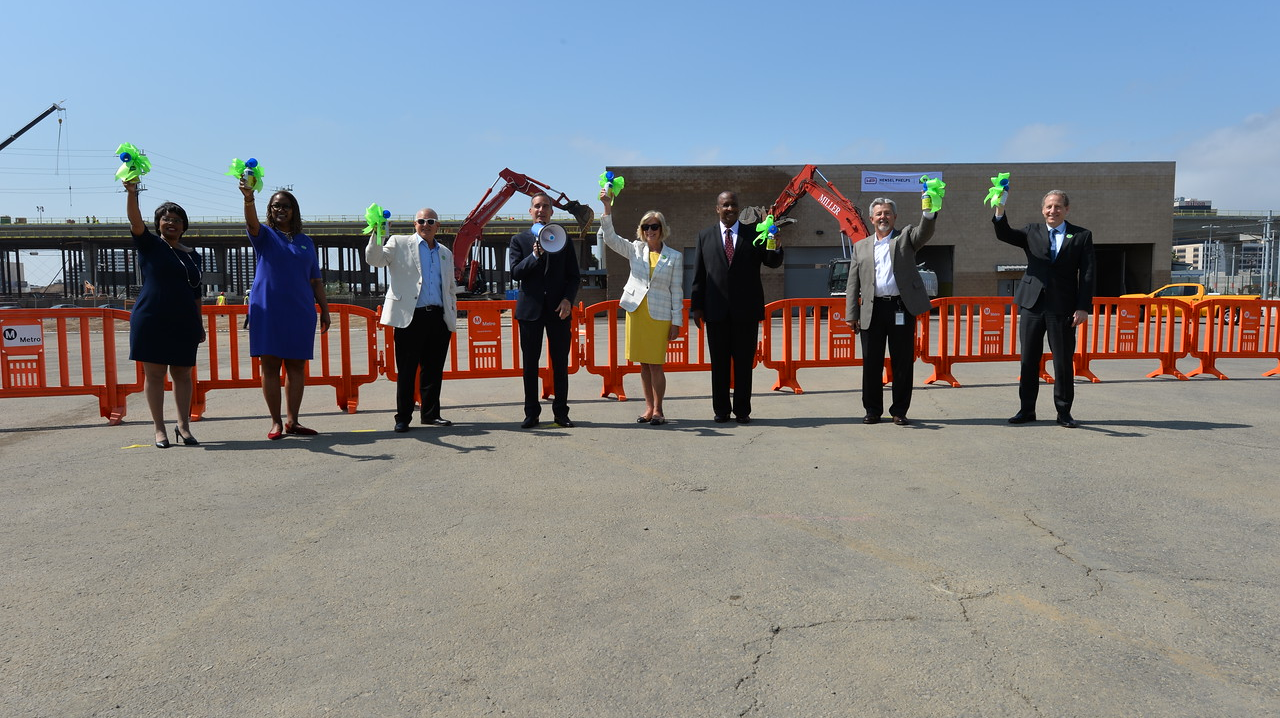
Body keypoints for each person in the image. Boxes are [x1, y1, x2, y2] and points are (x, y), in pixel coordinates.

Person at [993, 189, 1096, 428]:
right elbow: (1004, 234)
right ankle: (1026, 410)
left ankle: (1064, 412)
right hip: (1032, 305)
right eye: (1049, 207)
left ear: (1066, 210)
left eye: (1058, 206)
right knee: (1028, 360)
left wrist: (1083, 307)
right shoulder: (1032, 231)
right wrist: (999, 209)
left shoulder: (1081, 235)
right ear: (1043, 210)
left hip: (1063, 307)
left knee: (1062, 362)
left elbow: (1088, 274)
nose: (1053, 210)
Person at [239, 180, 331, 440]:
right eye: (276, 206)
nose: (281, 210)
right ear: (270, 209)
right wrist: (248, 198)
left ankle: (293, 420)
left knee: (296, 366)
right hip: (268, 308)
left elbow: (315, 280)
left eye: (286, 206)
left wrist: (324, 310)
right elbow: (252, 223)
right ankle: (276, 422)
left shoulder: (306, 242)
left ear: (294, 210)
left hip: (300, 309)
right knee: (269, 366)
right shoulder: (264, 235)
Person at [689, 190, 784, 424]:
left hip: (746, 312)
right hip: (715, 312)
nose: (729, 209)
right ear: (717, 209)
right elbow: (699, 275)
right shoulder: (705, 237)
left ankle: (742, 410)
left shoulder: (754, 235)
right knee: (719, 365)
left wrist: (775, 244)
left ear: (738, 209)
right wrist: (697, 308)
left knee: (744, 364)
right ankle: (721, 410)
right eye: (725, 205)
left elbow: (772, 262)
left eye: (733, 205)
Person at [124, 179, 205, 448]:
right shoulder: (149, 245)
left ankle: (183, 426)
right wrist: (132, 192)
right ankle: (159, 429)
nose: (172, 223)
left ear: (184, 225)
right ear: (158, 223)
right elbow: (135, 221)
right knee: (155, 376)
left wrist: (199, 323)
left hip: (183, 321)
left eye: (177, 219)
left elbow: (196, 293)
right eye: (166, 219)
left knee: (183, 374)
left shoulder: (194, 255)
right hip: (151, 319)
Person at [845, 197, 938, 426]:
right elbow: (852, 283)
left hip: (900, 308)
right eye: (879, 214)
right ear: (871, 218)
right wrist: (851, 314)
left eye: (887, 213)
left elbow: (924, 233)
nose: (883, 217)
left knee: (903, 362)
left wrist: (928, 212)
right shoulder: (861, 246)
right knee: (871, 363)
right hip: (872, 311)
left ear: (894, 217)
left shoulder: (905, 238)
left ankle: (899, 411)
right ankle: (872, 410)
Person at [365, 207, 458, 433]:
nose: (425, 224)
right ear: (414, 225)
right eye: (421, 221)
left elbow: (449, 286)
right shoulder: (398, 242)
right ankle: (403, 417)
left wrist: (451, 312)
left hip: (438, 316)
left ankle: (431, 414)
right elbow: (374, 259)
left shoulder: (445, 251)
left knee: (433, 370)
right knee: (406, 370)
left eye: (430, 221)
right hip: (410, 316)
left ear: (438, 226)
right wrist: (378, 233)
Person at [597, 188, 684, 425]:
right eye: (646, 227)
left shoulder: (674, 257)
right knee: (643, 364)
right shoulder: (635, 249)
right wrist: (607, 207)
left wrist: (677, 322)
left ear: (662, 229)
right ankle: (648, 408)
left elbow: (677, 291)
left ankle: (659, 410)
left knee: (656, 364)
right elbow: (610, 238)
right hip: (637, 311)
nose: (650, 231)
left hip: (659, 315)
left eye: (654, 226)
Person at [509, 192, 580, 428]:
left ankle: (561, 413)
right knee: (530, 365)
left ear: (551, 212)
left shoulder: (563, 239)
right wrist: (535, 254)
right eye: (536, 206)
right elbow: (517, 272)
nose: (541, 210)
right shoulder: (518, 241)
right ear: (530, 212)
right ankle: (531, 413)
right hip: (531, 312)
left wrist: (568, 300)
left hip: (558, 311)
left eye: (545, 206)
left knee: (560, 363)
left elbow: (573, 276)